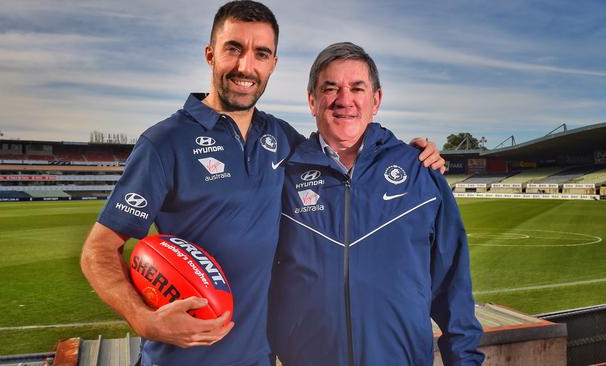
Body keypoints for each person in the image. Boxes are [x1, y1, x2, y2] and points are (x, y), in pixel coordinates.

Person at [80, 2, 444, 365]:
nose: (246, 66)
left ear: (273, 64)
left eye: (261, 53)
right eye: (233, 48)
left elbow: (340, 149)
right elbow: (98, 251)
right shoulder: (164, 143)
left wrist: (407, 155)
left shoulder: (281, 137)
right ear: (211, 54)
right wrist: (145, 321)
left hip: (257, 357)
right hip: (183, 359)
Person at [268, 42, 484, 366]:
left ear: (376, 100)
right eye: (331, 88)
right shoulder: (282, 180)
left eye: (357, 88)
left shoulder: (420, 173)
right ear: (313, 100)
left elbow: (453, 289)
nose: (345, 100)